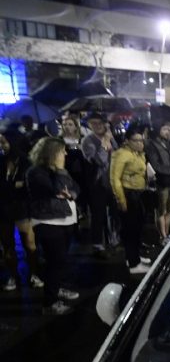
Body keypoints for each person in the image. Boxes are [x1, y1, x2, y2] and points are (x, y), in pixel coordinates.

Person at [26, 137, 80, 315]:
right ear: (52, 153)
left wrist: (71, 193)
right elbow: (55, 189)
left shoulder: (57, 170)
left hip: (66, 220)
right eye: (62, 150)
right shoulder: (36, 172)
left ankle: (58, 288)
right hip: (49, 222)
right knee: (55, 261)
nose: (65, 153)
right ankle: (49, 303)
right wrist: (61, 170)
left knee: (61, 260)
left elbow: (75, 188)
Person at [0, 132, 43, 291]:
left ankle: (34, 274)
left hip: (22, 208)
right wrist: (14, 186)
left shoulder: (26, 162)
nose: (1, 146)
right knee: (7, 246)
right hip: (3, 209)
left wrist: (10, 187)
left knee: (30, 245)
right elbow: (15, 186)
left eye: (4, 142)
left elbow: (27, 187)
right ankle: (13, 276)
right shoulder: (1, 160)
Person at [110, 128, 150, 274]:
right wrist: (121, 200)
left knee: (136, 228)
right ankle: (134, 264)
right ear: (127, 141)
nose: (140, 143)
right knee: (131, 229)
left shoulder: (136, 153)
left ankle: (133, 257)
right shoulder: (123, 155)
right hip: (128, 195)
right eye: (136, 140)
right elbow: (115, 179)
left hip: (136, 194)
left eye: (141, 140)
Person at [81, 112, 118, 256]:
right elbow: (99, 161)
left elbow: (116, 154)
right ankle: (97, 243)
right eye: (93, 123)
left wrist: (110, 139)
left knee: (114, 212)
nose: (97, 126)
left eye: (99, 123)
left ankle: (113, 238)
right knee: (98, 214)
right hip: (97, 183)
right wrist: (104, 145)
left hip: (112, 181)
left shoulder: (109, 137)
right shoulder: (87, 141)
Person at [146, 122, 170, 244]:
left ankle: (167, 234)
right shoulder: (151, 144)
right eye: (165, 129)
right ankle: (162, 236)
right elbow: (156, 166)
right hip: (161, 183)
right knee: (161, 210)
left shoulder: (167, 144)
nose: (168, 132)